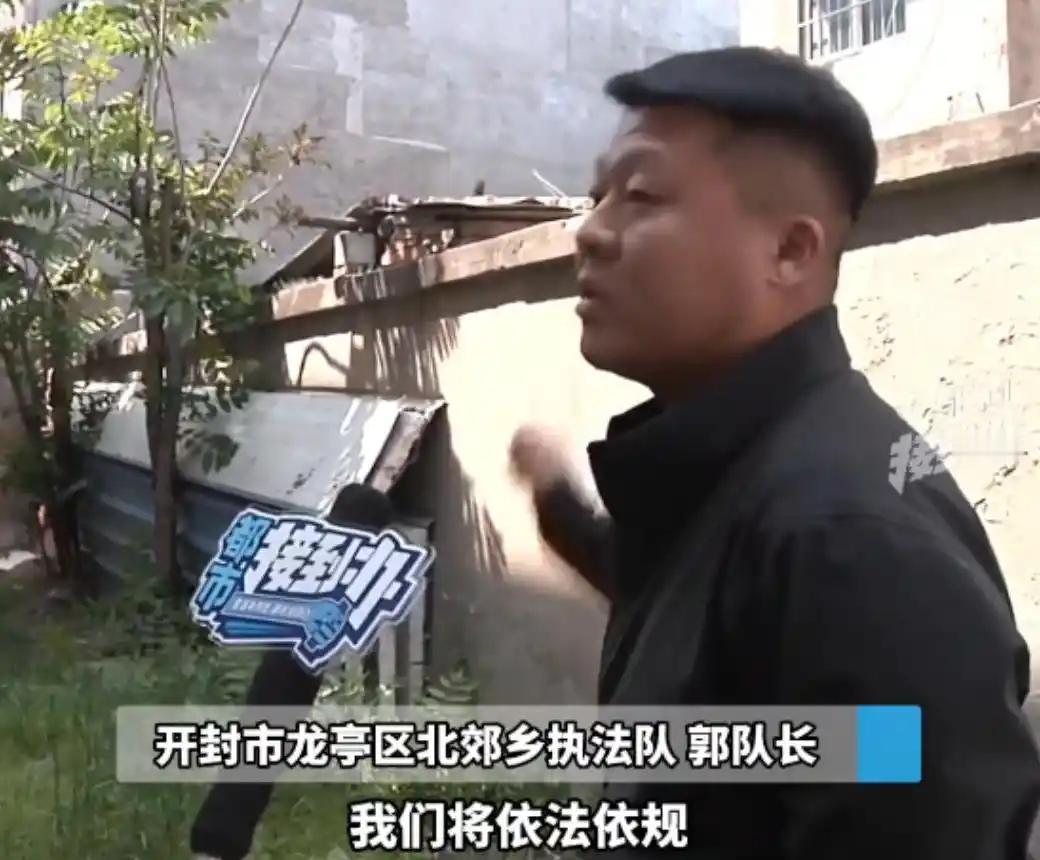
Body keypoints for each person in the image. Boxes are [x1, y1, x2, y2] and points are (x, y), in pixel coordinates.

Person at [510, 47, 1040, 859]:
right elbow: (722, 623)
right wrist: (564, 511)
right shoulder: (744, 479)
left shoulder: (850, 540)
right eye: (597, 197)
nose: (589, 232)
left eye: (642, 196)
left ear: (790, 251)